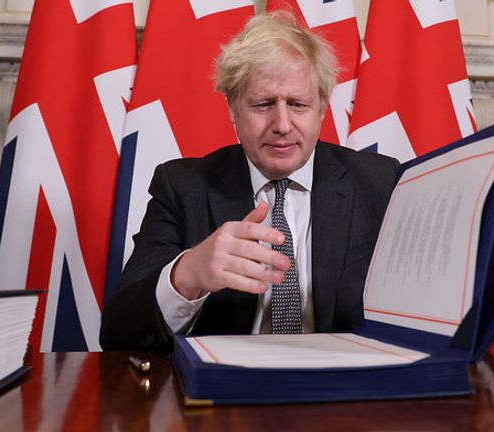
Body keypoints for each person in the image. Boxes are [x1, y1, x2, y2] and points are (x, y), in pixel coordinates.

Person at [100, 12, 399, 352]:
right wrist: (187, 275)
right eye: (263, 104)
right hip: (224, 395)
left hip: (343, 391)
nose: (282, 124)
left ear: (322, 108)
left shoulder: (380, 181)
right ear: (233, 108)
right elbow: (117, 336)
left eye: (298, 104)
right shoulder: (183, 186)